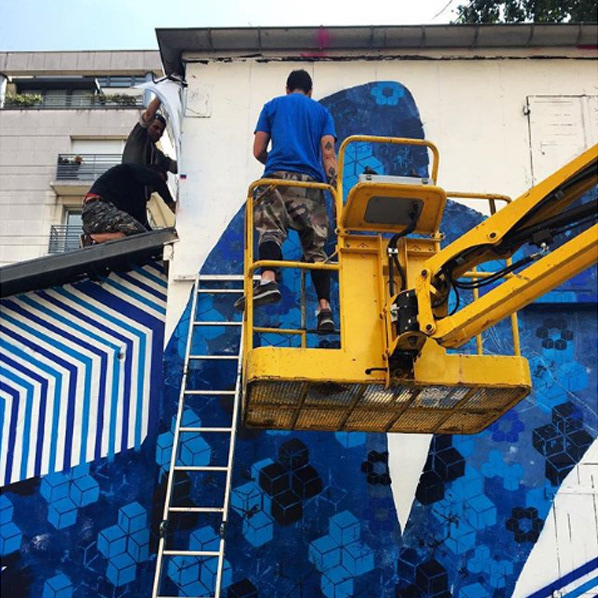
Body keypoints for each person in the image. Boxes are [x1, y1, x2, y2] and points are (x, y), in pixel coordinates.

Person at [235, 69, 338, 334]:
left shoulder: (272, 106)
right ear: (310, 91)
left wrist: (274, 163)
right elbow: (328, 155)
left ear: (287, 88)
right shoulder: (322, 113)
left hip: (276, 179)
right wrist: (333, 187)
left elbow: (258, 150)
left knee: (270, 229)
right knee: (316, 250)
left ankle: (268, 279)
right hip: (311, 186)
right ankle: (325, 310)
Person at [80, 163, 176, 246]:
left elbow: (143, 226)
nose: (153, 190)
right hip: (98, 209)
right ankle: (92, 238)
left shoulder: (135, 197)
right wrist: (171, 204)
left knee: (139, 236)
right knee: (137, 233)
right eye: (153, 187)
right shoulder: (129, 169)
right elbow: (157, 179)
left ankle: (95, 240)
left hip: (96, 217)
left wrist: (159, 241)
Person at [122, 96, 177, 174]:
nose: (158, 132)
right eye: (155, 127)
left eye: (161, 131)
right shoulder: (138, 137)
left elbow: (174, 166)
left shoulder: (157, 154)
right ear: (148, 125)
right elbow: (148, 114)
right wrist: (160, 95)